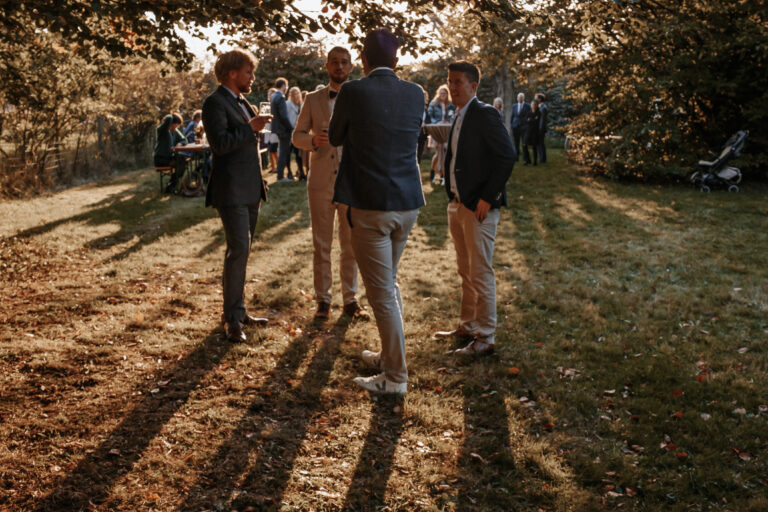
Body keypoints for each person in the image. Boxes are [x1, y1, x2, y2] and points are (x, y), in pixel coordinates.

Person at [329, 29, 426, 395]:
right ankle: (388, 357)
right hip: (407, 203)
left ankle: (396, 377)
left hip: (370, 205)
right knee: (389, 285)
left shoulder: (354, 91)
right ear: (397, 61)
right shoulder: (416, 92)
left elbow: (336, 136)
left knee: (382, 293)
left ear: (364, 61)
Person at [433, 60, 515, 357]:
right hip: (457, 204)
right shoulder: (459, 115)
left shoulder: (484, 113)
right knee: (465, 270)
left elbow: (507, 156)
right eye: (450, 81)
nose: (452, 87)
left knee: (480, 272)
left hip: (479, 207)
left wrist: (487, 197)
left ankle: (485, 337)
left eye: (458, 82)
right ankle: (467, 325)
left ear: (473, 86)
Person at [292, 46, 369, 321]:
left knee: (351, 245)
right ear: (327, 66)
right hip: (320, 182)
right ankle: (323, 299)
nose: (339, 66)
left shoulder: (360, 98)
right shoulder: (312, 99)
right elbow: (296, 136)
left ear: (351, 67)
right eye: (334, 62)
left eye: (344, 62)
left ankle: (350, 298)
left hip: (351, 182)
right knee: (321, 244)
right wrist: (312, 140)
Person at [201, 49, 271, 343]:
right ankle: (232, 319)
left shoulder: (243, 102)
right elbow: (219, 144)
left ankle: (239, 311)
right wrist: (250, 128)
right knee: (238, 250)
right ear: (232, 73)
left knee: (242, 251)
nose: (252, 78)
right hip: (230, 189)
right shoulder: (214, 103)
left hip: (251, 188)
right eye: (248, 72)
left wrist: (254, 127)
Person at [426, 85, 456, 185]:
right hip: (437, 130)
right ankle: (433, 170)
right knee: (438, 153)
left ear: (447, 94)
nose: (443, 95)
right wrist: (437, 122)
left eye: (445, 93)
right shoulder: (434, 103)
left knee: (446, 151)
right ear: (439, 94)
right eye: (441, 93)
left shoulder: (451, 104)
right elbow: (430, 115)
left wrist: (449, 121)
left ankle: (443, 174)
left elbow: (454, 115)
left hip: (447, 130)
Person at [153, 112, 188, 194]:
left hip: (168, 157)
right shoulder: (162, 130)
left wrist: (181, 143)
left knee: (182, 160)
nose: (177, 126)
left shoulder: (174, 131)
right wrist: (172, 115)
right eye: (176, 124)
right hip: (160, 159)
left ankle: (171, 185)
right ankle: (171, 186)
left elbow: (184, 139)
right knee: (180, 163)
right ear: (171, 123)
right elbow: (168, 118)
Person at [270, 77, 294, 182]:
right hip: (283, 129)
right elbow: (284, 116)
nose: (287, 87)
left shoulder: (273, 96)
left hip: (277, 129)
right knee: (284, 152)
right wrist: (291, 127)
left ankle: (282, 174)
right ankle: (280, 176)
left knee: (283, 151)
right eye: (287, 85)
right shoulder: (280, 97)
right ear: (283, 85)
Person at [286, 86, 306, 180]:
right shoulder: (287, 104)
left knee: (299, 153)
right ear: (291, 95)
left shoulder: (302, 104)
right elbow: (285, 118)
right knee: (288, 153)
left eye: (297, 93)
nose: (296, 96)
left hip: (299, 132)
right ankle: (289, 173)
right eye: (294, 94)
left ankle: (301, 171)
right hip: (289, 131)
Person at [510, 92, 531, 164]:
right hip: (515, 126)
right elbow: (512, 116)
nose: (520, 98)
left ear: (523, 98)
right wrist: (511, 125)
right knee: (516, 143)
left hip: (524, 127)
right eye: (519, 97)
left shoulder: (527, 106)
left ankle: (526, 159)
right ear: (517, 98)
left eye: (521, 97)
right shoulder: (514, 106)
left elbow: (529, 116)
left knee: (524, 143)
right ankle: (516, 158)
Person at [523, 99, 542, 166]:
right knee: (524, 145)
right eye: (532, 104)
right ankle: (527, 160)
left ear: (536, 105)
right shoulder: (529, 112)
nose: (533, 106)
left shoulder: (539, 113)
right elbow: (525, 120)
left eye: (534, 104)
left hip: (535, 132)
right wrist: (532, 120)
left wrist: (530, 120)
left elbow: (536, 121)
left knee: (534, 146)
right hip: (528, 131)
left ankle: (535, 162)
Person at [535, 92, 548, 163]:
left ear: (539, 99)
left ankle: (542, 159)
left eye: (536, 98)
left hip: (541, 129)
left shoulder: (543, 108)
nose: (535, 100)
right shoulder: (540, 107)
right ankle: (542, 158)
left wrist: (539, 129)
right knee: (539, 143)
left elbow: (542, 120)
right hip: (539, 129)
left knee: (540, 143)